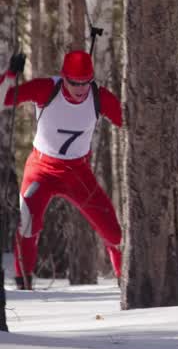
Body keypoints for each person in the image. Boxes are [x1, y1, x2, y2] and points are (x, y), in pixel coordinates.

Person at [0, 50, 125, 290]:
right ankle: (23, 284)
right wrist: (10, 74)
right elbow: (4, 99)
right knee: (28, 225)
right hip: (41, 169)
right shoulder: (47, 89)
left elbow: (129, 121)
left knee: (112, 232)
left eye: (85, 82)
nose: (80, 89)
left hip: (77, 173)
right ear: (63, 77)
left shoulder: (98, 97)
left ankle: (126, 281)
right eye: (74, 82)